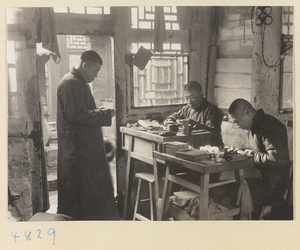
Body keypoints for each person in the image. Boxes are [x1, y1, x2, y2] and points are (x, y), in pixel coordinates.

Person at [57, 50, 119, 220]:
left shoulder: (78, 82)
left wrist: (100, 112)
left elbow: (83, 111)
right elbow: (77, 115)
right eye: (95, 71)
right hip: (77, 151)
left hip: (84, 148)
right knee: (79, 196)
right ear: (85, 66)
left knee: (89, 194)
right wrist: (105, 114)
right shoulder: (71, 83)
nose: (96, 76)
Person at [227, 98, 291, 218]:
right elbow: (261, 152)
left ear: (246, 112)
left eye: (237, 121)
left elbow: (278, 160)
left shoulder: (270, 126)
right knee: (225, 190)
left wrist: (252, 155)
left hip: (273, 188)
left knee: (231, 200)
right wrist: (245, 152)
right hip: (262, 182)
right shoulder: (256, 126)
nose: (237, 126)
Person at [163, 81, 224, 147]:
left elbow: (213, 133)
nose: (189, 101)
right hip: (193, 145)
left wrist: (194, 124)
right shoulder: (187, 109)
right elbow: (172, 117)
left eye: (193, 97)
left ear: (201, 95)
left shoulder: (212, 110)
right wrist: (170, 122)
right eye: (187, 98)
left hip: (211, 148)